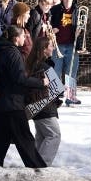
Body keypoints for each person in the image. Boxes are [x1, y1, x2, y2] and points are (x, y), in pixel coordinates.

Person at [0, 25, 48, 168]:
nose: (25, 38)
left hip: (0, 104)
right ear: (16, 38)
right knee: (26, 142)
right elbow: (19, 78)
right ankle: (40, 171)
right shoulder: (13, 53)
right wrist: (40, 82)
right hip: (13, 104)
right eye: (23, 36)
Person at [26, 34, 62, 165]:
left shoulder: (32, 64)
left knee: (41, 137)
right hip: (45, 108)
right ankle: (41, 167)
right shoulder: (44, 67)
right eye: (51, 46)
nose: (53, 48)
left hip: (36, 108)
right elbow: (58, 88)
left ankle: (34, 165)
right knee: (54, 135)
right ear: (44, 49)